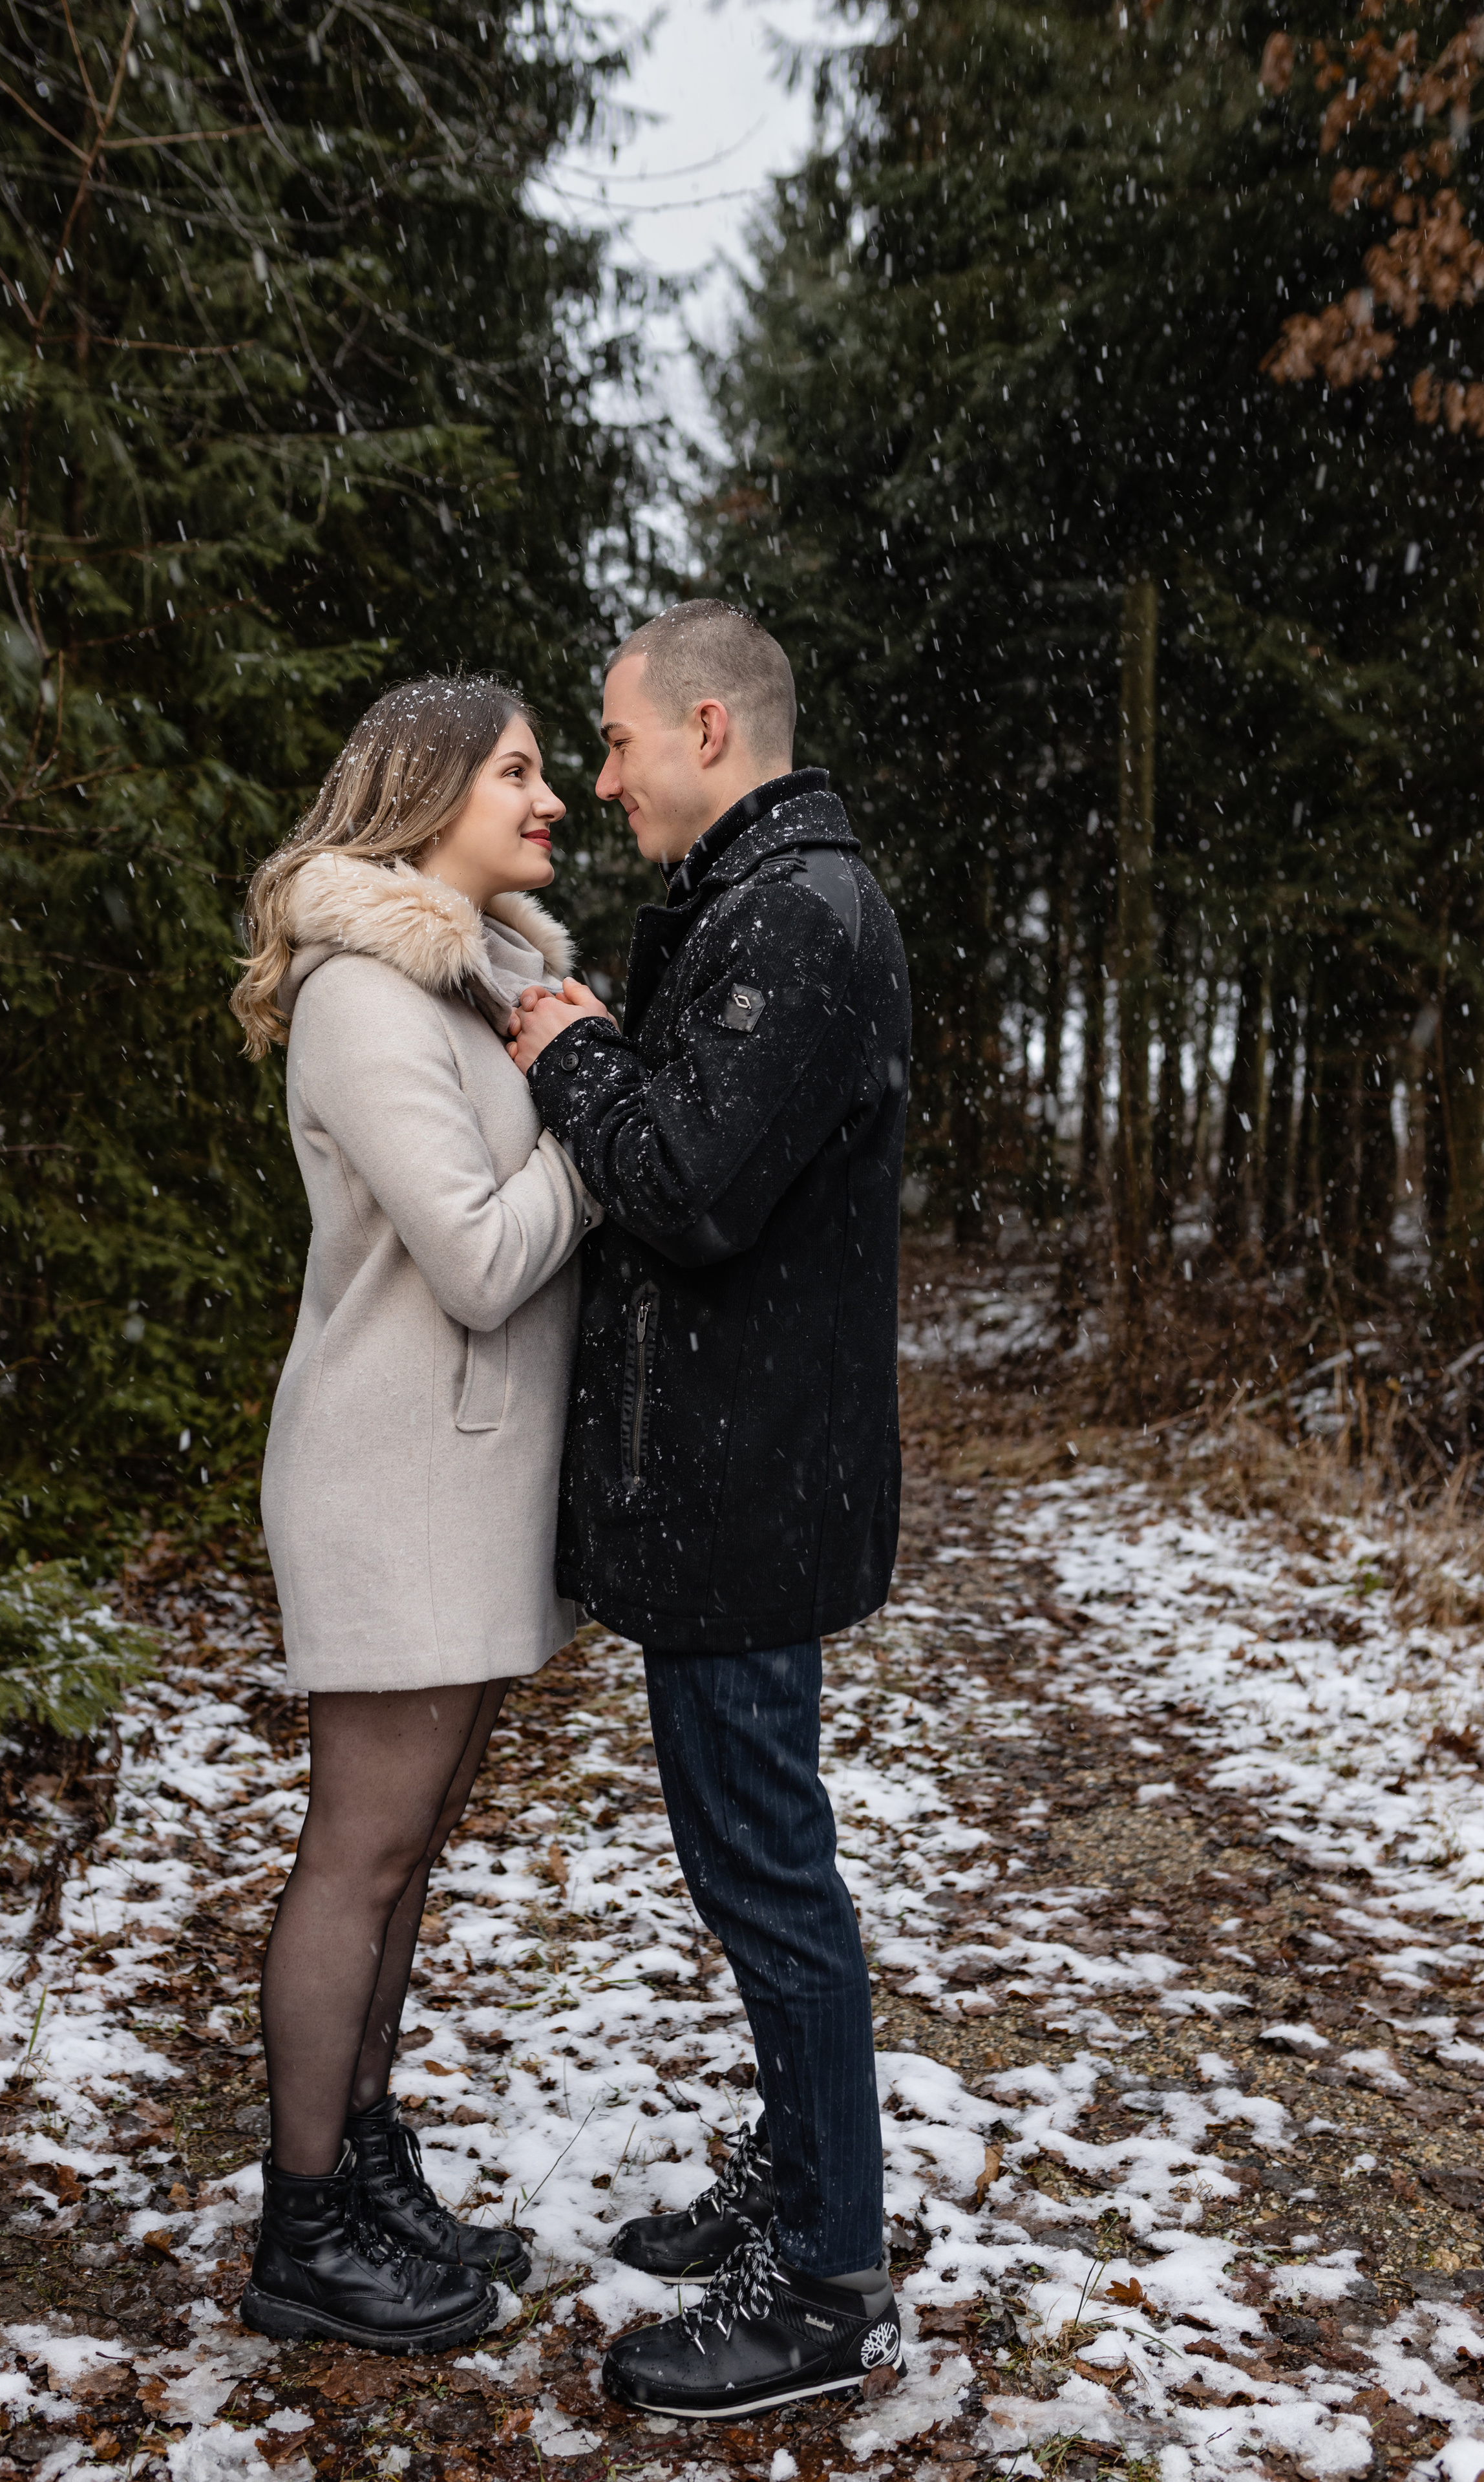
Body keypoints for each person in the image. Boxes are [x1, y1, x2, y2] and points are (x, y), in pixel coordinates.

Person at [507, 600, 911, 2420]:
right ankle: (798, 2172)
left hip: (753, 1487)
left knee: (770, 1877)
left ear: (712, 727)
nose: (600, 783)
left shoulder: (801, 922)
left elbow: (683, 1179)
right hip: (735, 1478)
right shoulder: (760, 903)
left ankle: (829, 2278)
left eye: (614, 744)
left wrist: (572, 1048)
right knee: (755, 1869)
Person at [228, 675, 598, 2353]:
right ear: (427, 791)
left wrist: (567, 1051)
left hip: (466, 1477)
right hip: (388, 1483)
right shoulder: (366, 997)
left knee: (407, 1856)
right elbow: (479, 1255)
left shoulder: (477, 980)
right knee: (359, 1854)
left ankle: (365, 2165)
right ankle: (306, 2229)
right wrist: (599, 1116)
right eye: (517, 772)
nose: (551, 802)